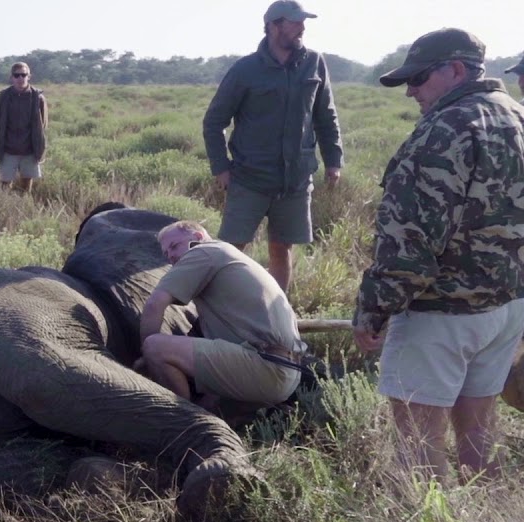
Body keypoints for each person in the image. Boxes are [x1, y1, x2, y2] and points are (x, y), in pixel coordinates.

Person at [353, 28, 524, 481]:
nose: (411, 91)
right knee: (479, 433)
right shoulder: (518, 117)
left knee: (417, 450)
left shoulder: (445, 129)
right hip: (506, 307)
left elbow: (410, 243)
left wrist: (374, 309)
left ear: (455, 70)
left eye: (419, 78)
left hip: (441, 311)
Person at [202, 0, 343, 292]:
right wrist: (221, 168)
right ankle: (221, 311)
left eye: (303, 22)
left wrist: (333, 161)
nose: (302, 27)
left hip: (295, 179)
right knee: (230, 250)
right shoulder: (246, 69)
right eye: (295, 22)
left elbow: (326, 115)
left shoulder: (314, 62)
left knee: (282, 248)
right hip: (249, 177)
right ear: (273, 26)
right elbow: (214, 121)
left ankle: (277, 315)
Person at [139, 221, 305, 409]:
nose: (171, 256)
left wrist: (144, 353)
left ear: (198, 237)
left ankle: (182, 420)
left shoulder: (202, 251)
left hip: (266, 367)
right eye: (166, 254)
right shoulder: (230, 256)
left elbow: (155, 304)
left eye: (174, 246)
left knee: (155, 347)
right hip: (288, 371)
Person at [0, 61, 48, 193]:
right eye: (17, 75)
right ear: (11, 77)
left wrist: (36, 142)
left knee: (27, 183)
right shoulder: (2, 97)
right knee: (5, 183)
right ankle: (5, 208)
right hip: (8, 149)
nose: (20, 78)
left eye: (23, 74)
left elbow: (43, 124)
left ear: (29, 76)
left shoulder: (38, 98)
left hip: (29, 149)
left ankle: (22, 206)